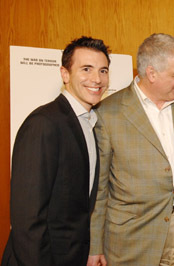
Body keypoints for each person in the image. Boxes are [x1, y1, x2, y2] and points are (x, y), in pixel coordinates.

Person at [87, 33, 174, 266]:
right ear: (151, 73)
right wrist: (95, 246)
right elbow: (99, 188)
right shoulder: (107, 113)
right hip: (130, 238)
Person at [1, 36, 110, 266]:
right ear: (65, 74)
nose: (97, 79)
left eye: (103, 70)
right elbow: (28, 218)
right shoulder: (44, 123)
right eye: (86, 69)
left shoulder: (88, 123)